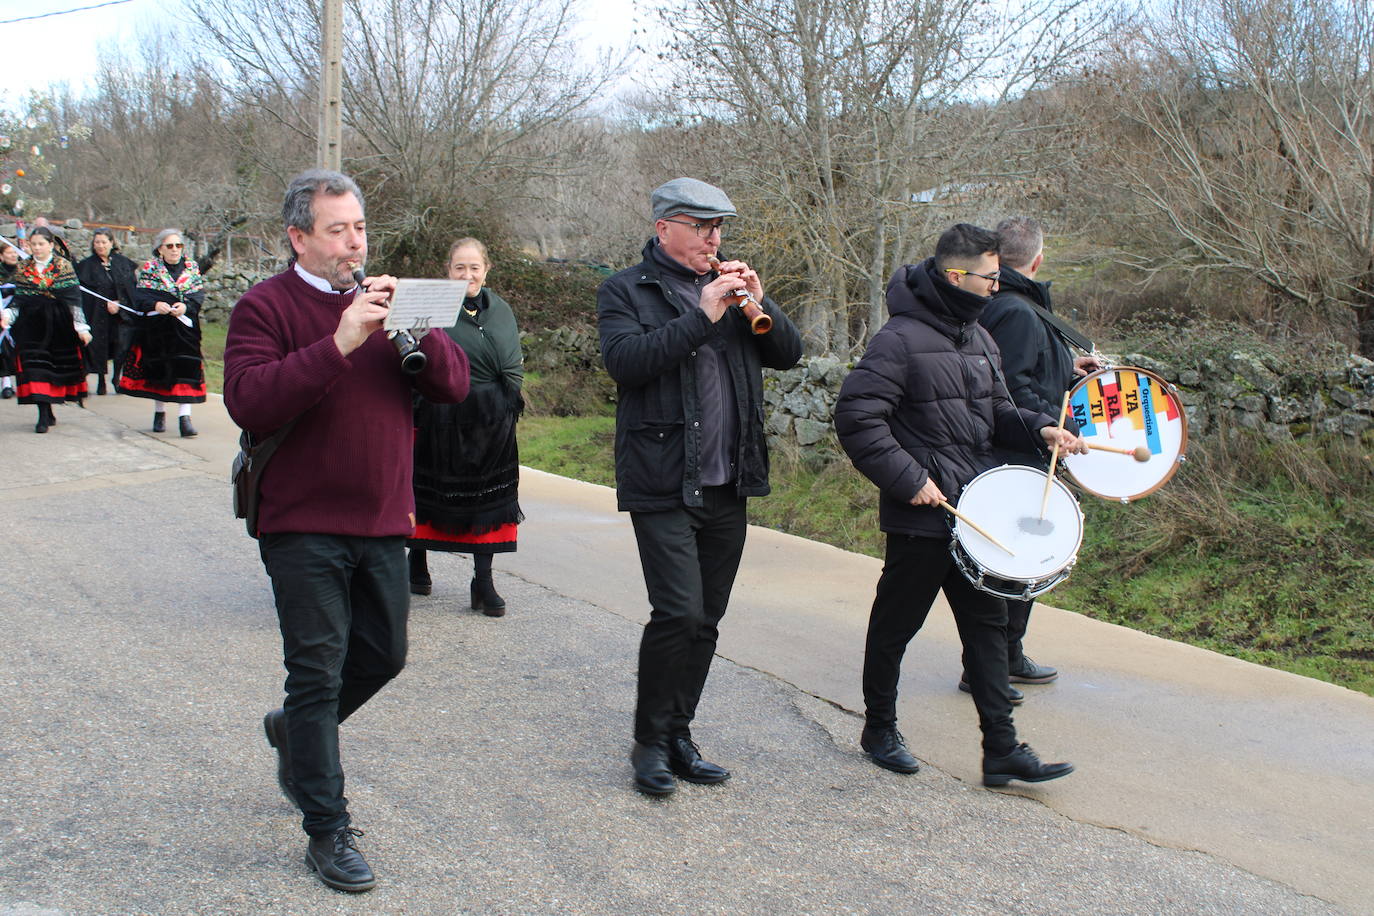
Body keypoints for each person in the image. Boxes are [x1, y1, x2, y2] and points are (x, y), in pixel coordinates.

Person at [223, 169, 469, 893]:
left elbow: (451, 387)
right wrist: (339, 340)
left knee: (384, 656)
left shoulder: (390, 305)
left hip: (382, 516)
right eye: (338, 230)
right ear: (299, 237)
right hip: (301, 522)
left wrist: (415, 326)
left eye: (359, 227)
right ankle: (327, 830)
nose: (354, 242)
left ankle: (296, 731)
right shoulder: (264, 306)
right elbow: (249, 402)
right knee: (317, 671)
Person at [833, 223, 1084, 787]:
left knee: (989, 629)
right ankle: (879, 728)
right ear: (955, 276)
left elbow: (999, 410)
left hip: (978, 510)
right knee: (896, 626)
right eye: (990, 277)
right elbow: (856, 417)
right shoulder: (898, 339)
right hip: (923, 513)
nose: (998, 287)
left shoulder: (978, 337)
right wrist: (908, 479)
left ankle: (1002, 750)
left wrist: (1042, 428)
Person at [597, 177, 803, 796]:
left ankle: (679, 733)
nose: (714, 238)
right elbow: (626, 364)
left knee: (707, 618)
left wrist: (761, 303)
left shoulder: (736, 295)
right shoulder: (625, 290)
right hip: (662, 478)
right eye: (701, 225)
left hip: (728, 480)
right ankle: (650, 742)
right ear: (664, 228)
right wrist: (702, 312)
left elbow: (788, 356)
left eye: (719, 228)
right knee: (678, 612)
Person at [968, 216, 1101, 698]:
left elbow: (1021, 368)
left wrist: (1068, 366)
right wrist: (1051, 424)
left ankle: (1007, 656)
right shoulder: (1017, 312)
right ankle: (990, 665)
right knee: (1015, 560)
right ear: (1038, 259)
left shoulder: (1012, 307)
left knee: (1022, 560)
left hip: (1022, 446)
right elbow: (1010, 386)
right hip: (1019, 449)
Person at [408, 238, 524, 615]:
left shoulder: (501, 310)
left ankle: (483, 581)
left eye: (474, 267)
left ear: (486, 270)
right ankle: (417, 561)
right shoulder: (430, 307)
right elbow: (412, 354)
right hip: (441, 416)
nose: (468, 275)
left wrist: (507, 404)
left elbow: (512, 359)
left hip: (493, 421)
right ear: (448, 271)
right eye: (460, 267)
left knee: (487, 499)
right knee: (429, 491)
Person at [117, 229, 207, 436]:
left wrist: (186, 307)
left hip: (185, 330)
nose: (175, 250)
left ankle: (185, 418)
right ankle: (160, 412)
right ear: (160, 249)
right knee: (160, 371)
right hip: (158, 331)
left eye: (178, 245)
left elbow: (198, 295)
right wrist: (156, 304)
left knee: (186, 370)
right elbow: (140, 297)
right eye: (170, 246)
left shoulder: (192, 268)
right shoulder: (151, 269)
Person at [0, 227, 91, 432]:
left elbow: (73, 300)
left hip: (59, 324)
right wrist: (8, 317)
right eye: (34, 244)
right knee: (35, 368)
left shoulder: (63, 265)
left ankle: (49, 408)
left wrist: (81, 327)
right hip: (31, 325)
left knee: (54, 367)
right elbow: (20, 299)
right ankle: (43, 413)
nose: (38, 248)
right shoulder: (24, 267)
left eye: (42, 244)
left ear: (51, 245)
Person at [75, 229, 138, 396]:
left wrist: (120, 303)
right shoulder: (86, 266)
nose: (100, 246)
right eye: (97, 242)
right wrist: (104, 304)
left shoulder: (123, 263)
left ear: (111, 243)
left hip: (120, 314)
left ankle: (116, 377)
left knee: (121, 345)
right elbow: (84, 294)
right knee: (98, 346)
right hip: (96, 313)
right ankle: (101, 379)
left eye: (104, 242)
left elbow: (132, 289)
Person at [0, 241, 20, 397]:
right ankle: (6, 382)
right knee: (4, 347)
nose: (13, 255)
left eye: (15, 252)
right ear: (1, 256)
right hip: (2, 315)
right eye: (9, 252)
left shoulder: (24, 272)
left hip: (20, 314)